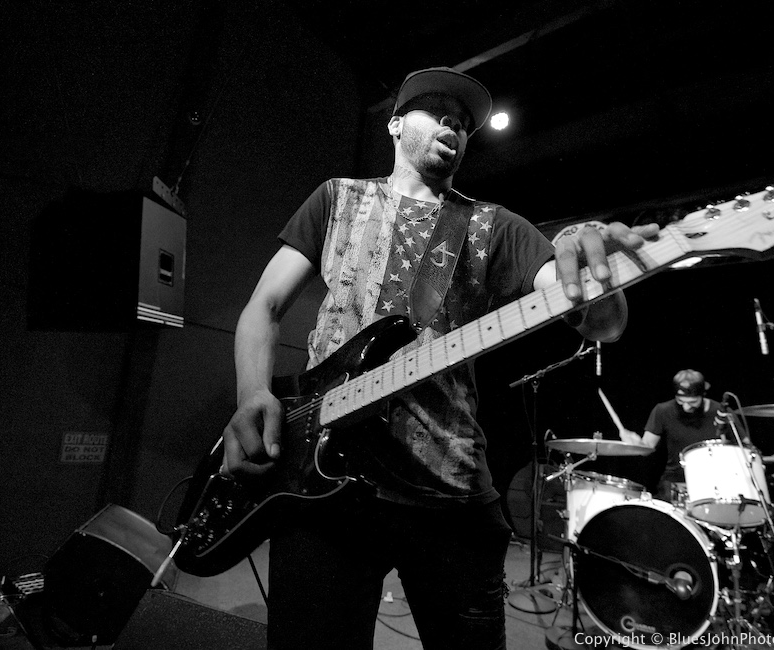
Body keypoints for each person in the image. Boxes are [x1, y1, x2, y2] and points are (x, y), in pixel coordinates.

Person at [221, 66, 659, 650]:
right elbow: (263, 307)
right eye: (437, 113)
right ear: (397, 124)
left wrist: (597, 273)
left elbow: (603, 322)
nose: (453, 125)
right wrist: (253, 393)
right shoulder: (336, 199)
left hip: (449, 491)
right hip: (320, 480)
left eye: (463, 123)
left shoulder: (495, 226)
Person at [620, 369, 747, 503]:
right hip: (675, 482)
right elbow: (647, 447)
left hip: (716, 483)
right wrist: (635, 444)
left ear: (703, 394)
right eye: (681, 401)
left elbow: (745, 446)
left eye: (692, 402)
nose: (686, 407)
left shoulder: (721, 413)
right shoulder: (662, 411)